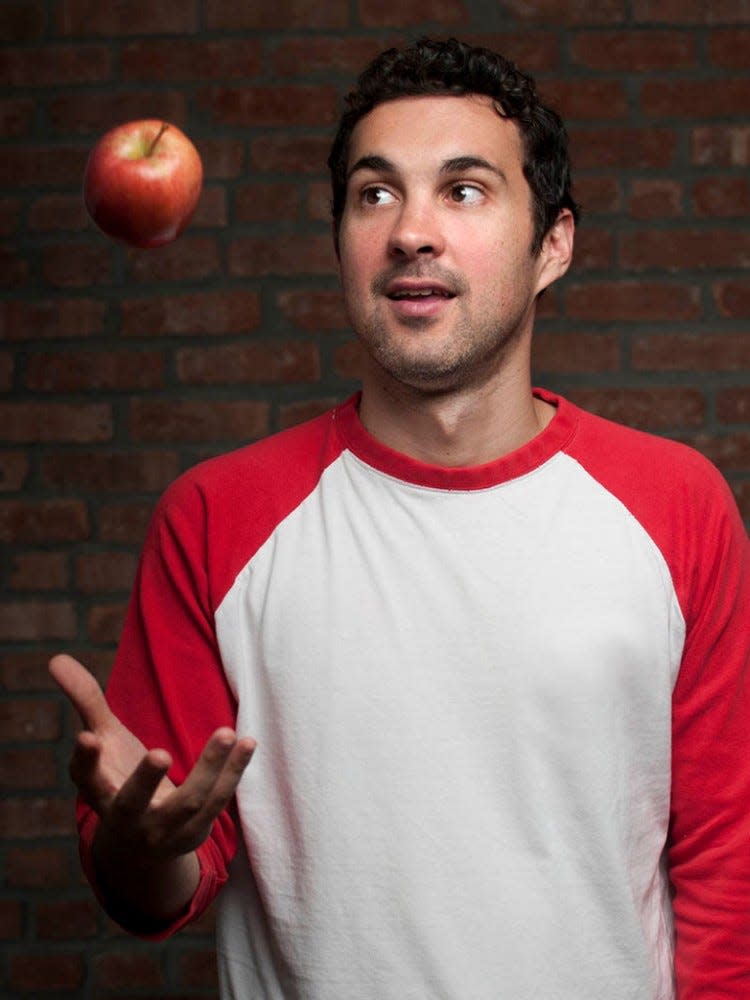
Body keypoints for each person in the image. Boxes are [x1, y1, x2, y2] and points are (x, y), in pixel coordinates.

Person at [51, 37, 750, 1000]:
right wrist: (139, 848)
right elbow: (158, 880)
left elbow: (726, 862)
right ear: (340, 238)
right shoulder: (216, 517)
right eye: (375, 195)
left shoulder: (677, 505)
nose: (411, 231)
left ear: (554, 244)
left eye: (464, 191)